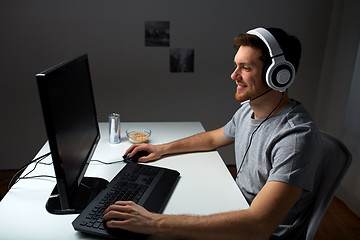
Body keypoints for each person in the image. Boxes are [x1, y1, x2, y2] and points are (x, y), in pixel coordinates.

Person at [103, 27, 323, 239]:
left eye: (245, 68)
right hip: (238, 210)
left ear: (278, 75)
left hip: (254, 232)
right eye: (236, 66)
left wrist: (153, 222)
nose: (233, 75)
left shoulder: (295, 137)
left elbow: (257, 227)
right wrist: (161, 149)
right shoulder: (249, 110)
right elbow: (212, 138)